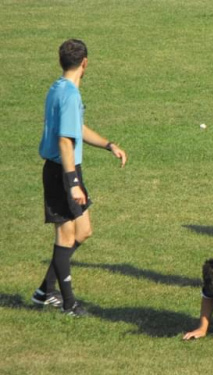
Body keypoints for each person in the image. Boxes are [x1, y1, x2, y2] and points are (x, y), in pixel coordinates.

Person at [32, 39, 127, 316]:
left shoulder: (59, 87)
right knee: (65, 236)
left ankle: (44, 290)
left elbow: (76, 128)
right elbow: (64, 140)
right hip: (62, 171)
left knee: (83, 231)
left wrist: (109, 145)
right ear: (85, 62)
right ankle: (69, 304)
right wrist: (73, 182)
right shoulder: (70, 95)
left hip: (70, 170)